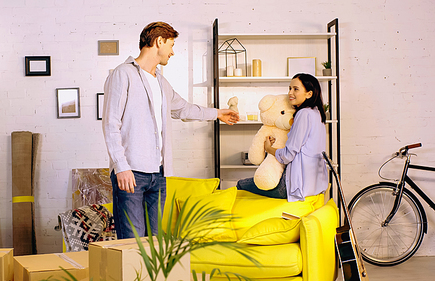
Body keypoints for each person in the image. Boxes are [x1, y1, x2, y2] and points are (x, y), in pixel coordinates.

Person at [102, 21, 239, 239]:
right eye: (171, 45)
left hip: (159, 174)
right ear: (159, 41)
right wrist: (121, 167)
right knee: (132, 244)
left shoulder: (162, 83)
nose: (172, 52)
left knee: (155, 244)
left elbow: (184, 109)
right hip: (131, 173)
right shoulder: (123, 74)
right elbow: (110, 124)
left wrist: (217, 113)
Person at [236, 73, 328, 202]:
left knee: (241, 184)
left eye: (296, 89)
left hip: (296, 186)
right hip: (314, 184)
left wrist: (269, 148)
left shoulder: (303, 114)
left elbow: (288, 155)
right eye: (290, 88)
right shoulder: (317, 113)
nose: (290, 93)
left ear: (309, 94)